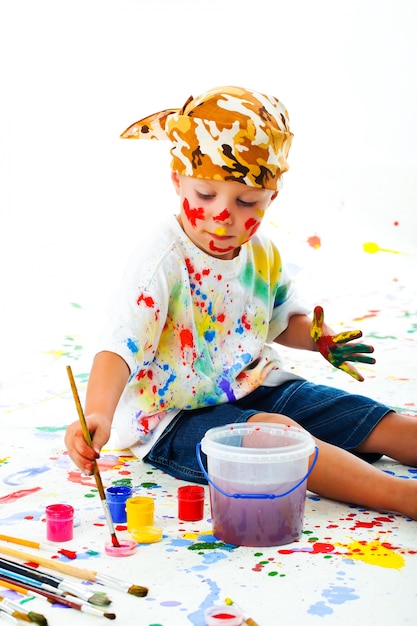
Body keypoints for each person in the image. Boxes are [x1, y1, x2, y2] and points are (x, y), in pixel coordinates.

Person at [64, 85, 417, 520]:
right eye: (205, 196)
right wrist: (97, 410)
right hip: (172, 419)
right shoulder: (162, 259)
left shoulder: (261, 252)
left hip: (256, 387)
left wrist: (319, 339)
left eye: (246, 201)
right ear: (177, 181)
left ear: (272, 198)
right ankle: (404, 499)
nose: (223, 215)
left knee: (370, 419)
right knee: (281, 439)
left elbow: (280, 319)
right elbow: (120, 345)